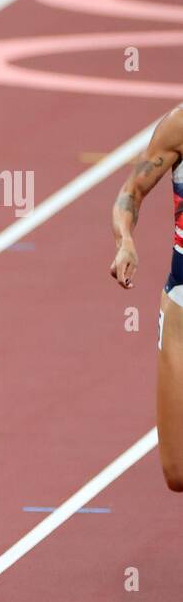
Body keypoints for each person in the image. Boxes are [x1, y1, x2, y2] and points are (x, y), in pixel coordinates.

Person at [109, 106, 183, 492]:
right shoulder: (180, 125)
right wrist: (125, 241)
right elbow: (131, 193)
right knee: (178, 470)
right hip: (182, 307)